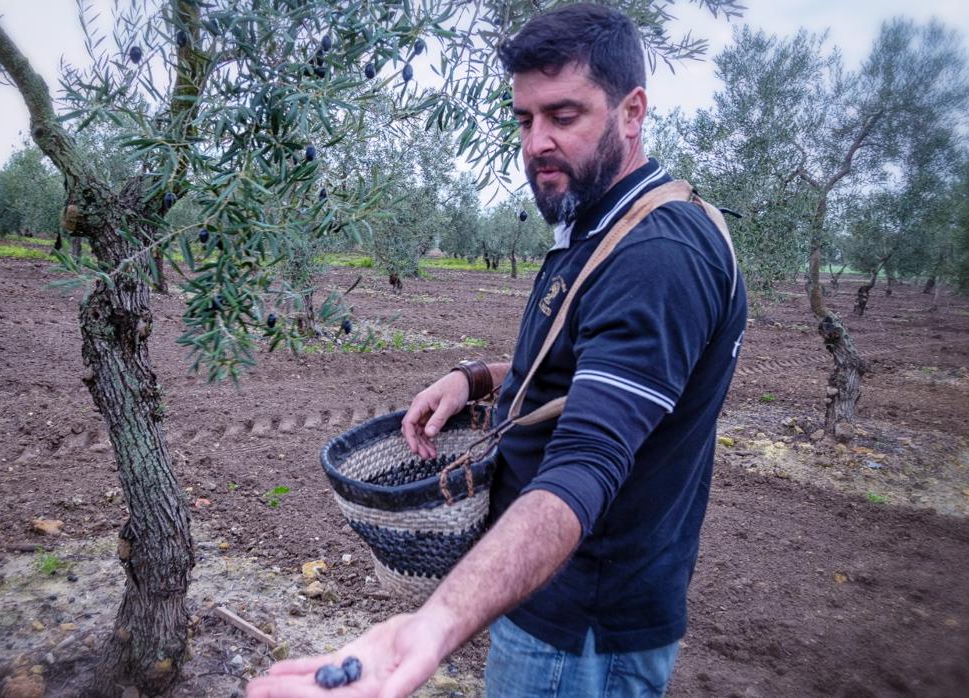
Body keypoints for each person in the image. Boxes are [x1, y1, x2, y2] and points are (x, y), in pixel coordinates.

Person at [247, 4, 746, 697]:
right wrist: (477, 378)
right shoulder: (605, 226)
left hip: (581, 630)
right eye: (523, 119)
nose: (537, 141)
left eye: (563, 116)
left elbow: (586, 464)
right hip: (563, 606)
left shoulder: (654, 256)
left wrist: (434, 623)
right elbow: (587, 371)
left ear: (632, 112)